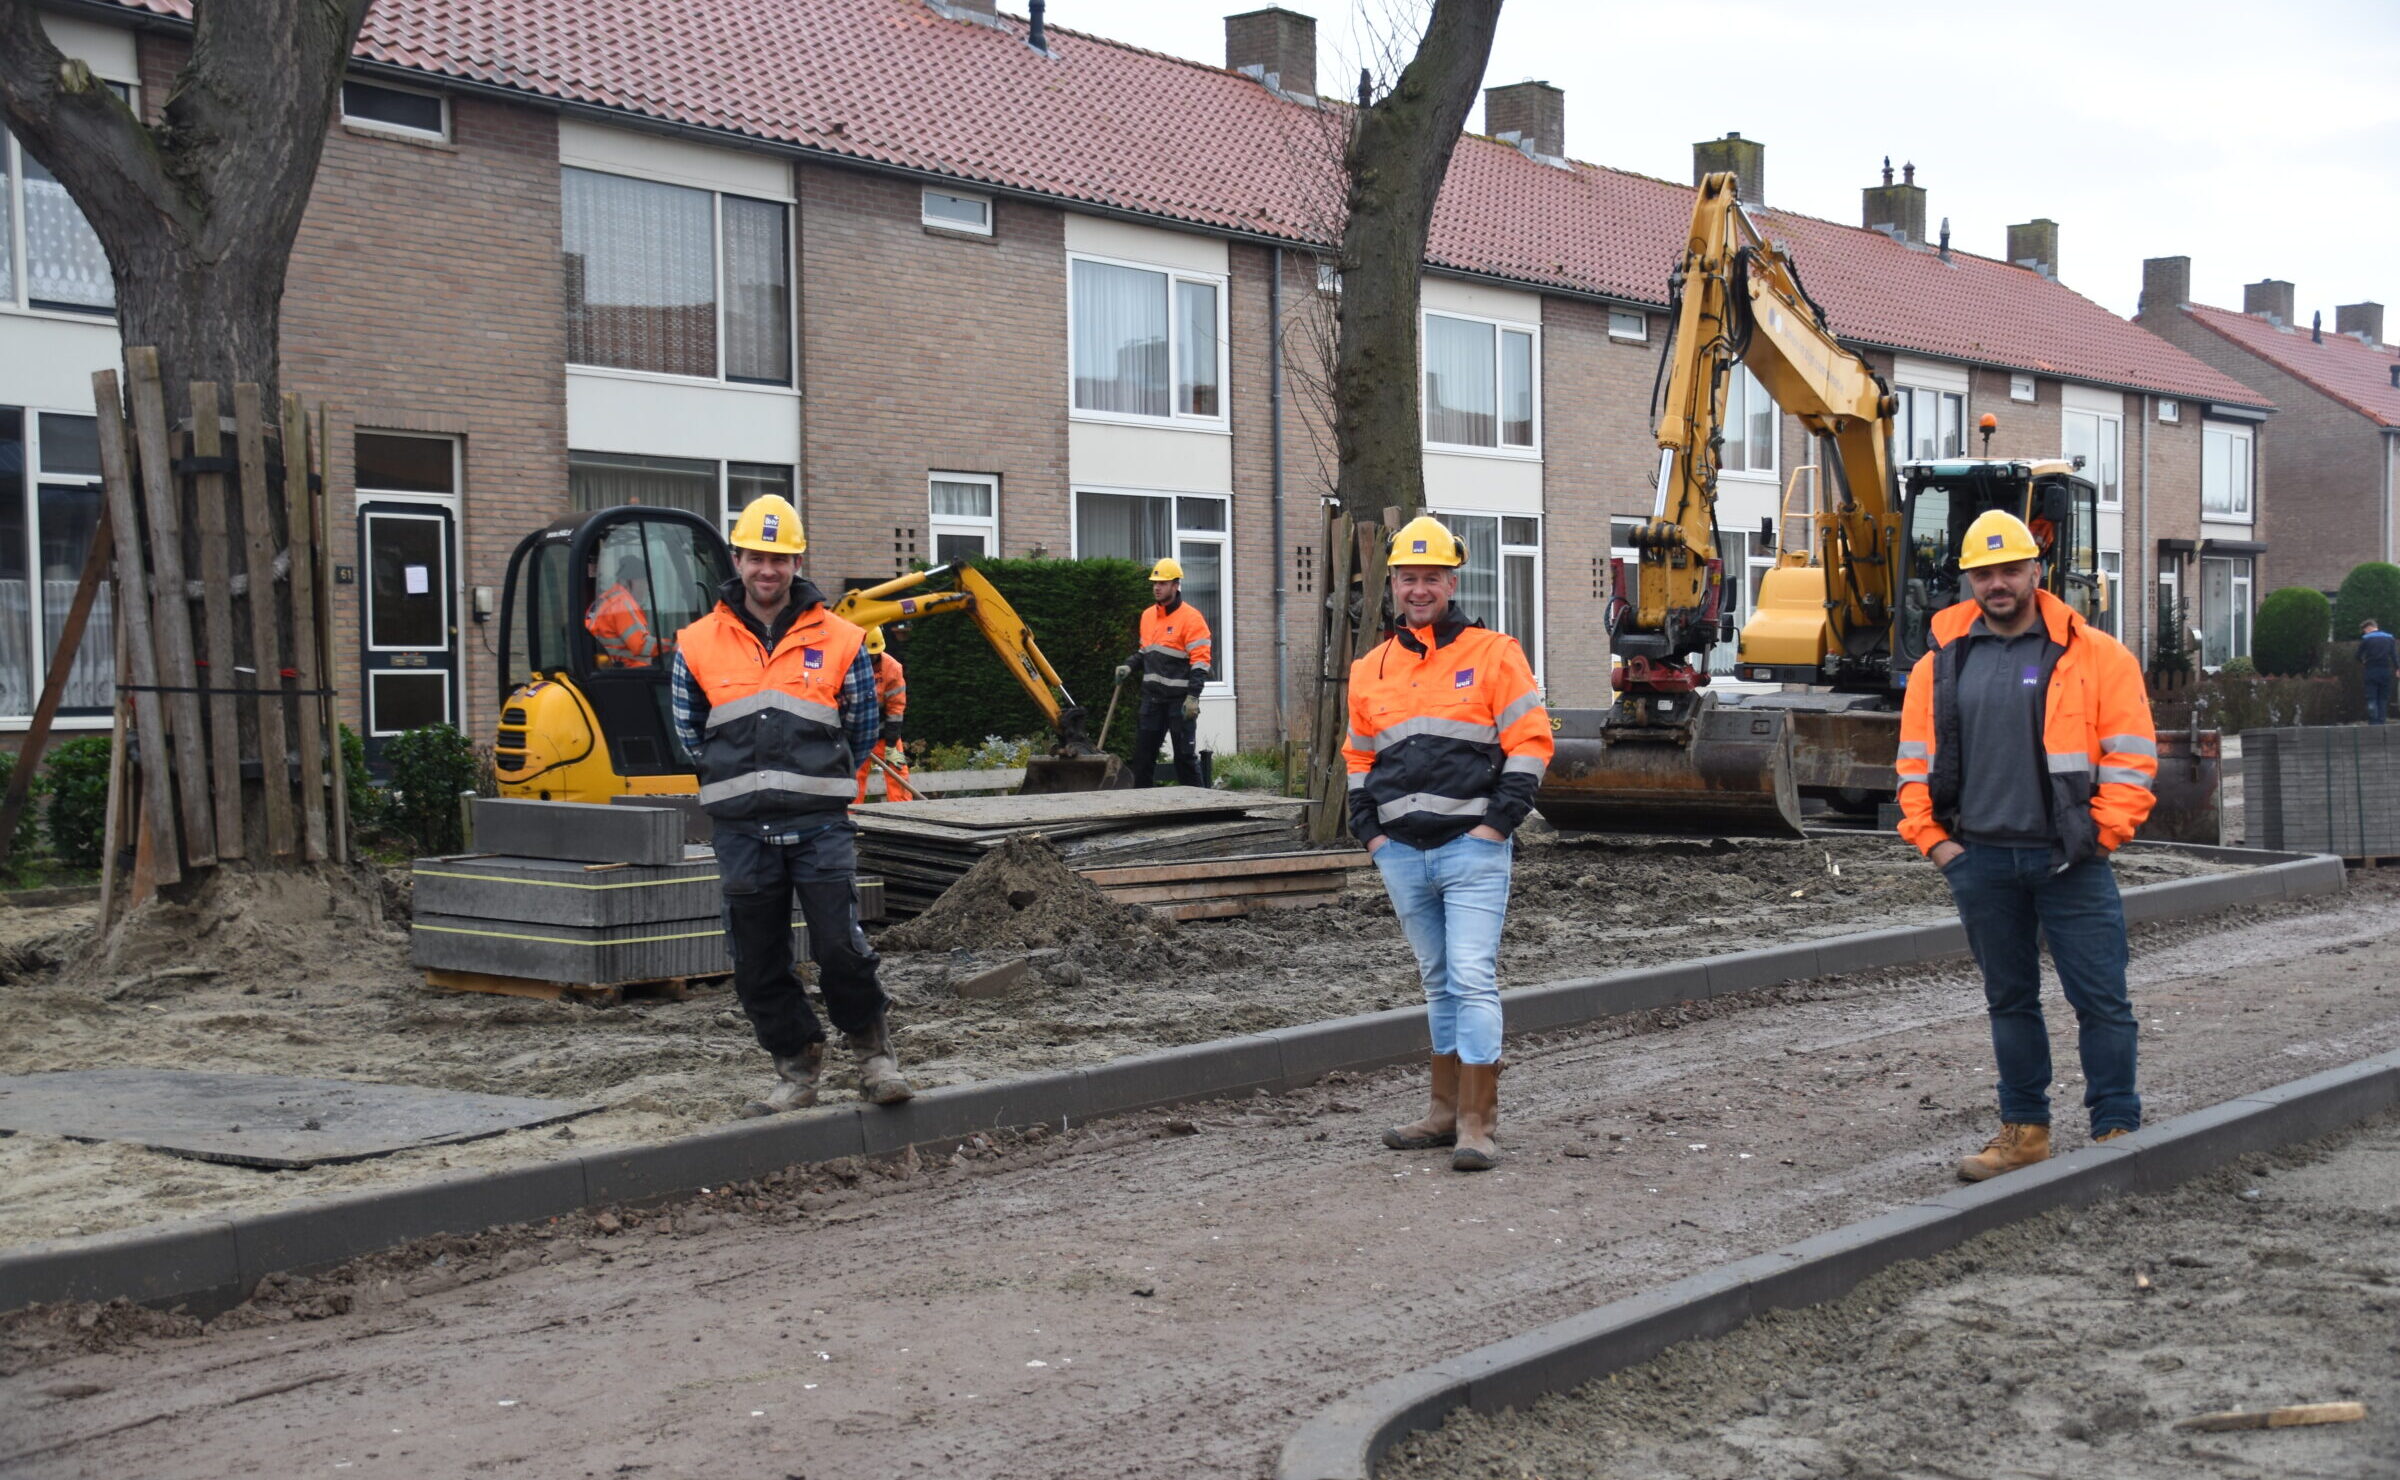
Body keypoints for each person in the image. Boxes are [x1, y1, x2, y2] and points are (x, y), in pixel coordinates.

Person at [1896, 509, 2157, 1182]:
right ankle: (2025, 1133)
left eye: (2010, 569)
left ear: (2036, 571)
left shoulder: (2097, 655)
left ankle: (2116, 1127)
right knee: (2009, 1002)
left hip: (2070, 862)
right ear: (1969, 582)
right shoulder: (1939, 666)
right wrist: (1939, 847)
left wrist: (2100, 836)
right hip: (1980, 862)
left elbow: (2131, 761)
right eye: (1983, 574)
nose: (1998, 584)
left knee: (2102, 1000)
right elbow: (1914, 766)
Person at [671, 494, 914, 1116]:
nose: (767, 570)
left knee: (841, 946)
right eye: (757, 557)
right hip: (741, 828)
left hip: (819, 825)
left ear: (798, 561)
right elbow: (688, 731)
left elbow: (861, 729)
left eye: (779, 558)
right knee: (756, 959)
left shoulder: (842, 639)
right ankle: (797, 1068)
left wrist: (817, 783)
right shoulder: (698, 642)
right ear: (738, 559)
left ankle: (874, 1057)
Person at [1345, 515, 1552, 1172]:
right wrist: (1371, 834)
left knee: (1470, 977)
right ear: (1394, 584)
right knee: (1438, 982)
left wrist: (1499, 823)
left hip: (1472, 849)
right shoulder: (1369, 668)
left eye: (1430, 577)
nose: (1418, 589)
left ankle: (1476, 1125)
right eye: (1408, 577)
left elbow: (1531, 744)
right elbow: (1358, 756)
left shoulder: (1495, 653)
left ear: (1450, 581)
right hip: (1401, 853)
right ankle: (1441, 1114)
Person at [1116, 558, 1213, 788]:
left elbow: (1200, 662)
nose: (1157, 587)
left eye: (1163, 583)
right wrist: (1129, 665)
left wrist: (1193, 697)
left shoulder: (1191, 618)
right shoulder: (1148, 616)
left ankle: (1198, 811)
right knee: (1142, 759)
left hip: (1180, 702)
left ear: (1176, 585)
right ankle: (1145, 811)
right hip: (1152, 700)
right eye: (1155, 583)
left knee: (1185, 759)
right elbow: (1145, 651)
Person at [853, 626, 915, 803]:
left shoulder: (892, 668)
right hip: (858, 734)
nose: (872, 658)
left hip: (886, 732)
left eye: (875, 654)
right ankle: (852, 814)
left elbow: (896, 706)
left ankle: (903, 812)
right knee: (854, 775)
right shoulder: (849, 666)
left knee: (897, 769)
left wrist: (891, 739)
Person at [585, 557, 656, 667]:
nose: (647, 587)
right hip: (629, 672)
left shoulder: (605, 599)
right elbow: (641, 645)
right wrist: (672, 644)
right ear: (631, 581)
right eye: (644, 581)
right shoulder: (622, 604)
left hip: (611, 668)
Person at [2360, 619, 2396, 725]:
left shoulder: (2366, 639)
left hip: (2371, 671)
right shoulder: (2390, 638)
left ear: (2368, 628)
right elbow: (2394, 655)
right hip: (2385, 671)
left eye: (2364, 630)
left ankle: (2373, 721)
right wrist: (2398, 668)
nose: (2365, 633)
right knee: (2383, 698)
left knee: (2372, 697)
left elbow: (2358, 655)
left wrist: (2363, 661)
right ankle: (2382, 721)